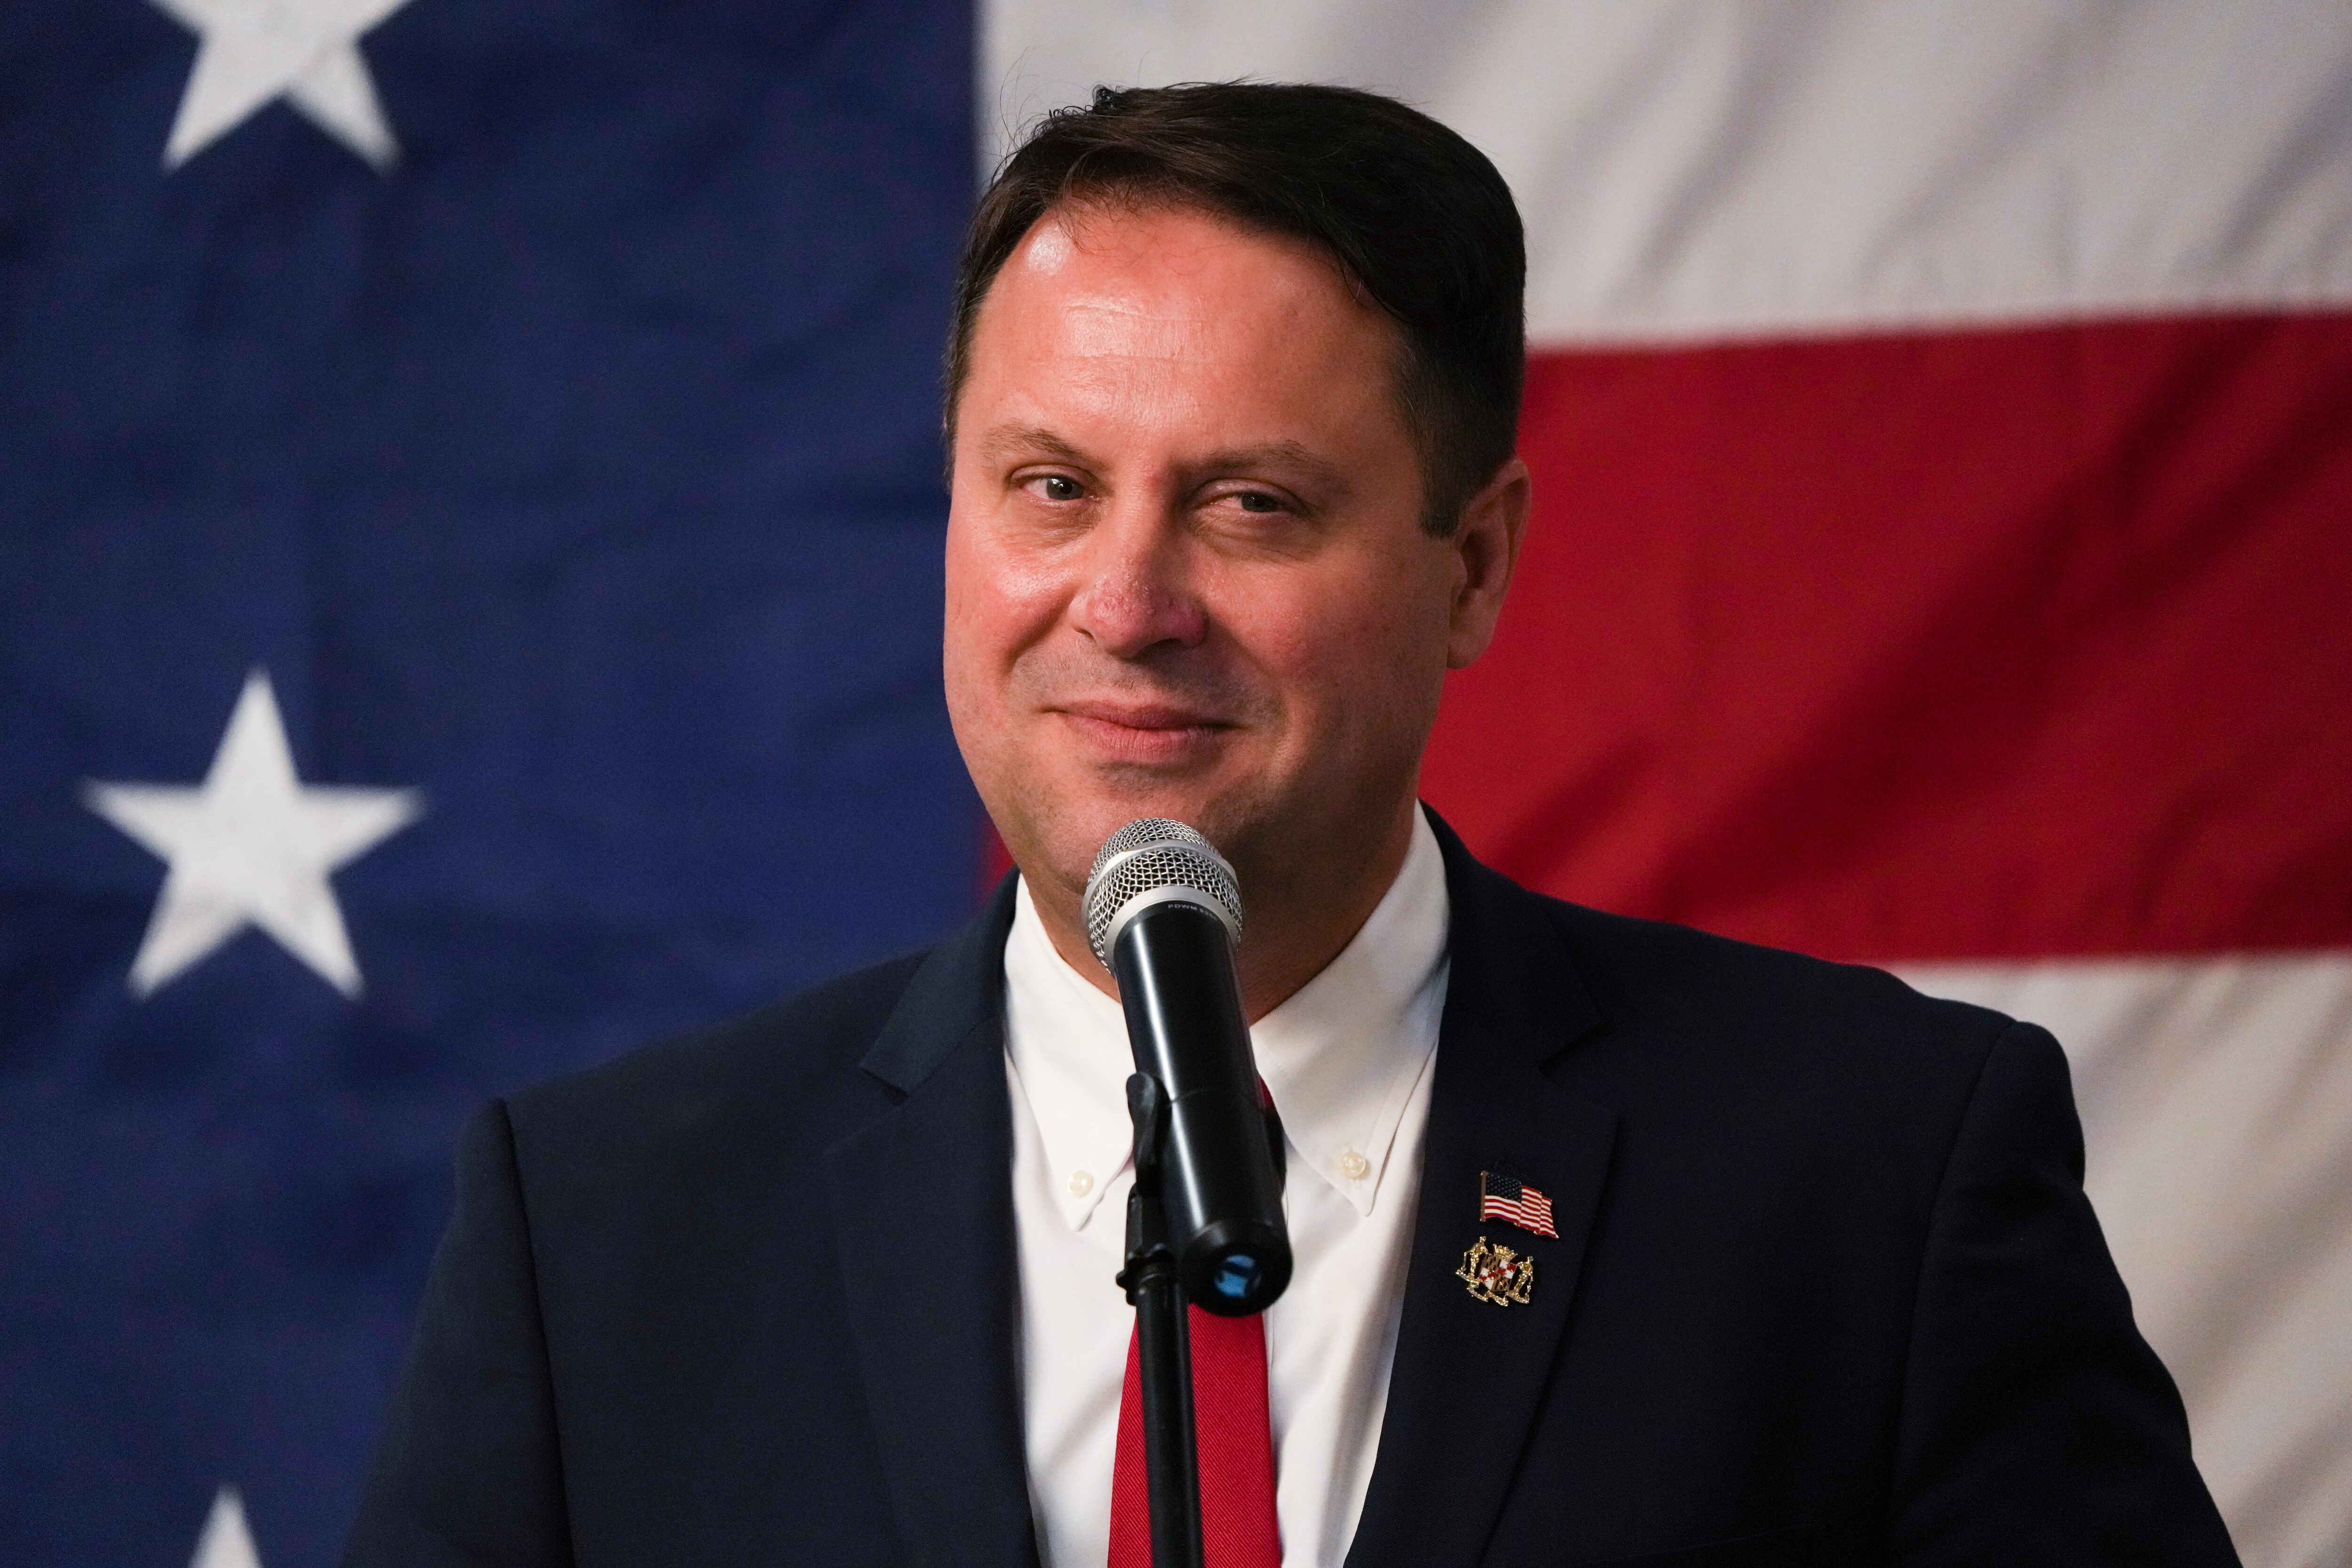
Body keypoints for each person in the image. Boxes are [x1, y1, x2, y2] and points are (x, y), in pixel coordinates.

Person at [343, 83, 2239, 1568]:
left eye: (1250, 504)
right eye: (1050, 485)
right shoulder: (600, 1236)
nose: (1124, 601)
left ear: (1472, 566)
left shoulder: (1876, 1173)